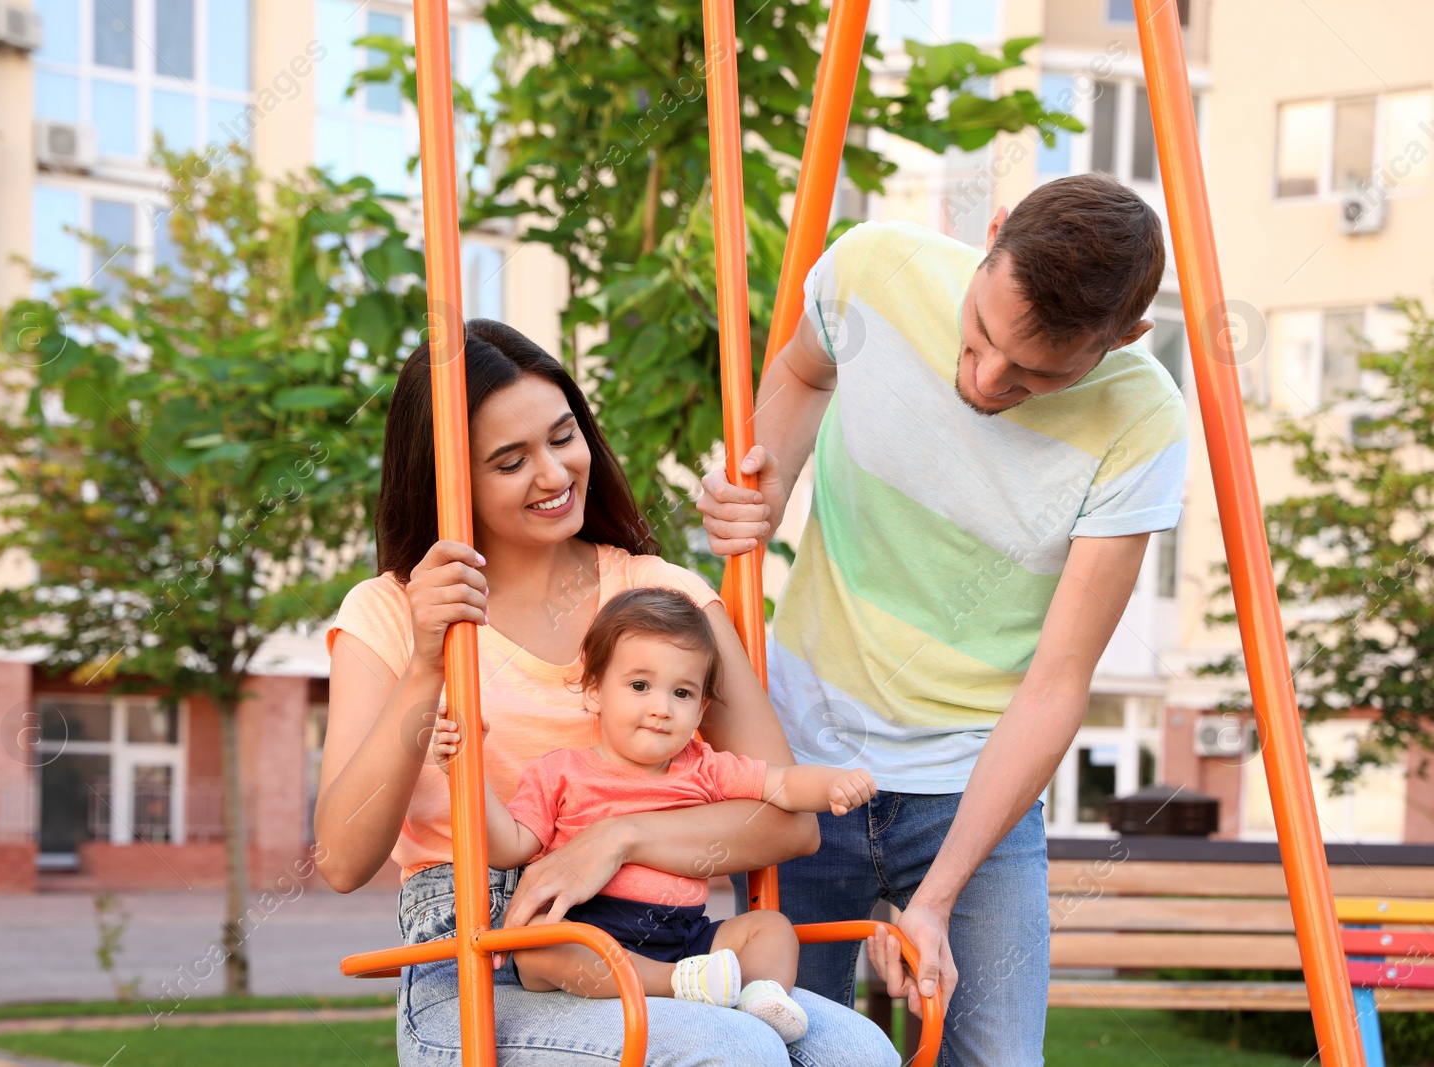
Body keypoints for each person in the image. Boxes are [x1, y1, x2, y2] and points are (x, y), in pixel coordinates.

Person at [699, 172, 1189, 1065]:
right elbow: (806, 370)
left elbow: (1056, 684)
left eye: (1036, 375)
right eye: (980, 338)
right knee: (786, 1046)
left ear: (1125, 339)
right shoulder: (872, 269)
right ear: (991, 234)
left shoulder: (1144, 421)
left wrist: (938, 895)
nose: (987, 380)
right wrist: (760, 491)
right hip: (803, 753)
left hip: (975, 782)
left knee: (1000, 1057)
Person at [317, 318, 902, 1066]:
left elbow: (789, 826)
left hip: (666, 932)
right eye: (509, 461)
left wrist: (613, 839)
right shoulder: (390, 613)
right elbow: (340, 858)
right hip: (482, 958)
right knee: (731, 1049)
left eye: (564, 436)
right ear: (448, 479)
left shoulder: (661, 598)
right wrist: (428, 661)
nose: (555, 473)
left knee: (860, 1051)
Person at [431, 586, 879, 1043]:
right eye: (640, 686)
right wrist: (465, 774)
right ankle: (679, 986)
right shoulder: (560, 773)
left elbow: (780, 784)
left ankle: (762, 997)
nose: (661, 708)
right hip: (591, 929)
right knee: (538, 947)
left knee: (771, 927)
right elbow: (510, 847)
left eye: (682, 693)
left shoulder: (704, 767)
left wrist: (830, 785)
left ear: (701, 708)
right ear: (594, 691)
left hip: (685, 936)